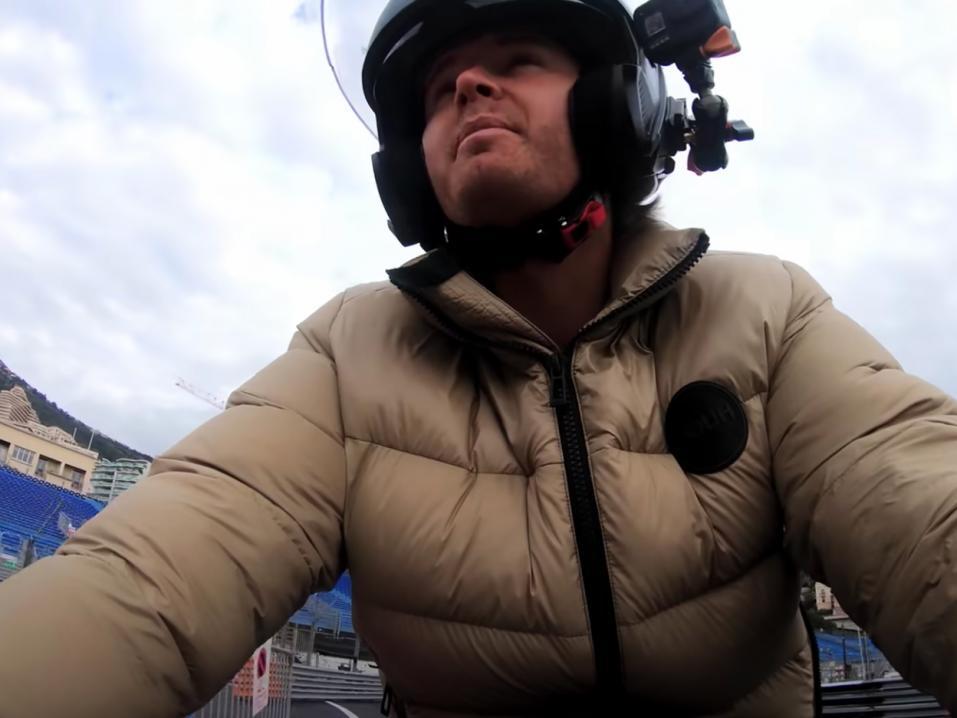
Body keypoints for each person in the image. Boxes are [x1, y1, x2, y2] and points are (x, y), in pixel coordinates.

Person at [1, 0, 955, 716]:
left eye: (516, 59)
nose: (467, 87)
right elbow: (147, 583)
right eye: (438, 87)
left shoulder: (765, 311)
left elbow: (917, 503)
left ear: (617, 104)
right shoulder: (347, 355)